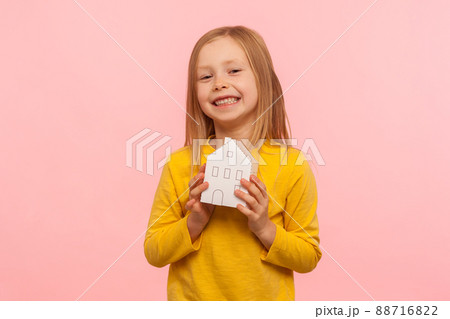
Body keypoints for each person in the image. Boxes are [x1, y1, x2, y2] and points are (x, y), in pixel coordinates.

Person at [144, 25, 322, 301]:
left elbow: (308, 256)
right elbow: (154, 252)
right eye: (205, 76)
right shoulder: (181, 164)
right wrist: (195, 221)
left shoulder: (292, 165)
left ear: (263, 81)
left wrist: (264, 227)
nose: (219, 83)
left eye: (234, 70)